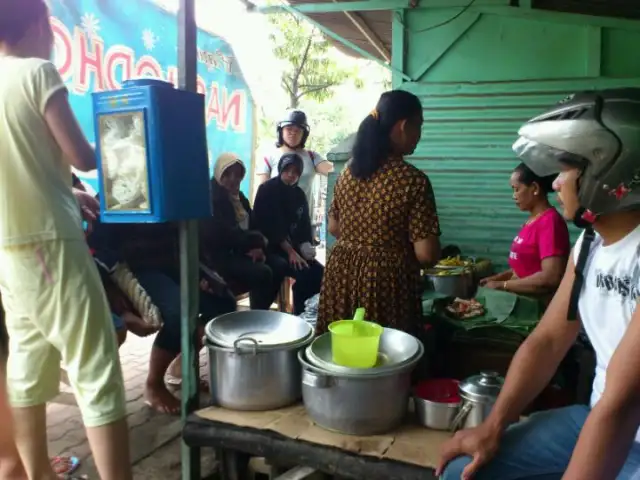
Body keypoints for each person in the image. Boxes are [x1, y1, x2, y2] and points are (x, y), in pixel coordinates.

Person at [437, 88, 640, 480]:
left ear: (608, 174)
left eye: (566, 170)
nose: (556, 183)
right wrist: (492, 427)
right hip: (594, 417)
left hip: (624, 428)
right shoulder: (591, 243)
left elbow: (624, 403)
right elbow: (547, 341)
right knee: (463, 472)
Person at [0, 2, 132, 479]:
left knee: (28, 365)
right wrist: (123, 144)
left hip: (9, 251)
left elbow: (22, 164)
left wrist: (68, 191)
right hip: (51, 243)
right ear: (38, 26)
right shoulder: (38, 73)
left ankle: (37, 475)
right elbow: (81, 153)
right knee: (95, 366)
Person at [316, 90, 441, 334]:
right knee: (382, 354)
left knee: (341, 349)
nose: (419, 136)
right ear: (403, 126)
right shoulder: (413, 180)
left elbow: (334, 227)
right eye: (419, 127)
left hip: (341, 274)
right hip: (385, 283)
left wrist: (362, 244)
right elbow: (426, 254)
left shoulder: (348, 173)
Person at [107, 221, 237, 414]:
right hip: (139, 268)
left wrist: (205, 272)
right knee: (178, 313)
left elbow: (194, 235)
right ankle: (154, 384)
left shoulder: (181, 195)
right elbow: (101, 247)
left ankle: (179, 364)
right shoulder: (117, 198)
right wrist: (114, 292)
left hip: (176, 263)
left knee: (223, 303)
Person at [201, 152, 288, 310]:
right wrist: (254, 242)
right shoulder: (211, 199)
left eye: (237, 174)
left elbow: (254, 224)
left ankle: (261, 310)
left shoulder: (240, 198)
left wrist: (258, 248)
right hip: (223, 256)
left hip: (244, 250)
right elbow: (223, 235)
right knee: (263, 272)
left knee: (280, 264)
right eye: (227, 174)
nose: (233, 179)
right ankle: (257, 314)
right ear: (219, 173)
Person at [480, 163, 570, 297]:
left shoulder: (550, 222)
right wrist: (497, 278)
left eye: (516, 189)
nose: (513, 196)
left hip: (536, 308)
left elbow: (550, 278)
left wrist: (502, 285)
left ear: (534, 188)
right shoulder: (531, 221)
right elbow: (524, 269)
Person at [253, 153, 324, 315]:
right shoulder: (267, 190)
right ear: (280, 170)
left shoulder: (298, 194)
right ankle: (259, 314)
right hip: (269, 247)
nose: (291, 175)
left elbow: (304, 224)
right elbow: (269, 227)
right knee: (277, 267)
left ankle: (301, 314)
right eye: (287, 170)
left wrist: (306, 245)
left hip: (292, 249)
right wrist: (291, 251)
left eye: (295, 172)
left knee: (316, 272)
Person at [255, 109, 333, 209]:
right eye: (289, 129)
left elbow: (335, 172)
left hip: (303, 220)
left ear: (304, 134)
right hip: (274, 220)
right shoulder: (268, 157)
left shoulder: (312, 157)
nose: (293, 133)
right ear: (281, 131)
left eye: (298, 130)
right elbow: (262, 195)